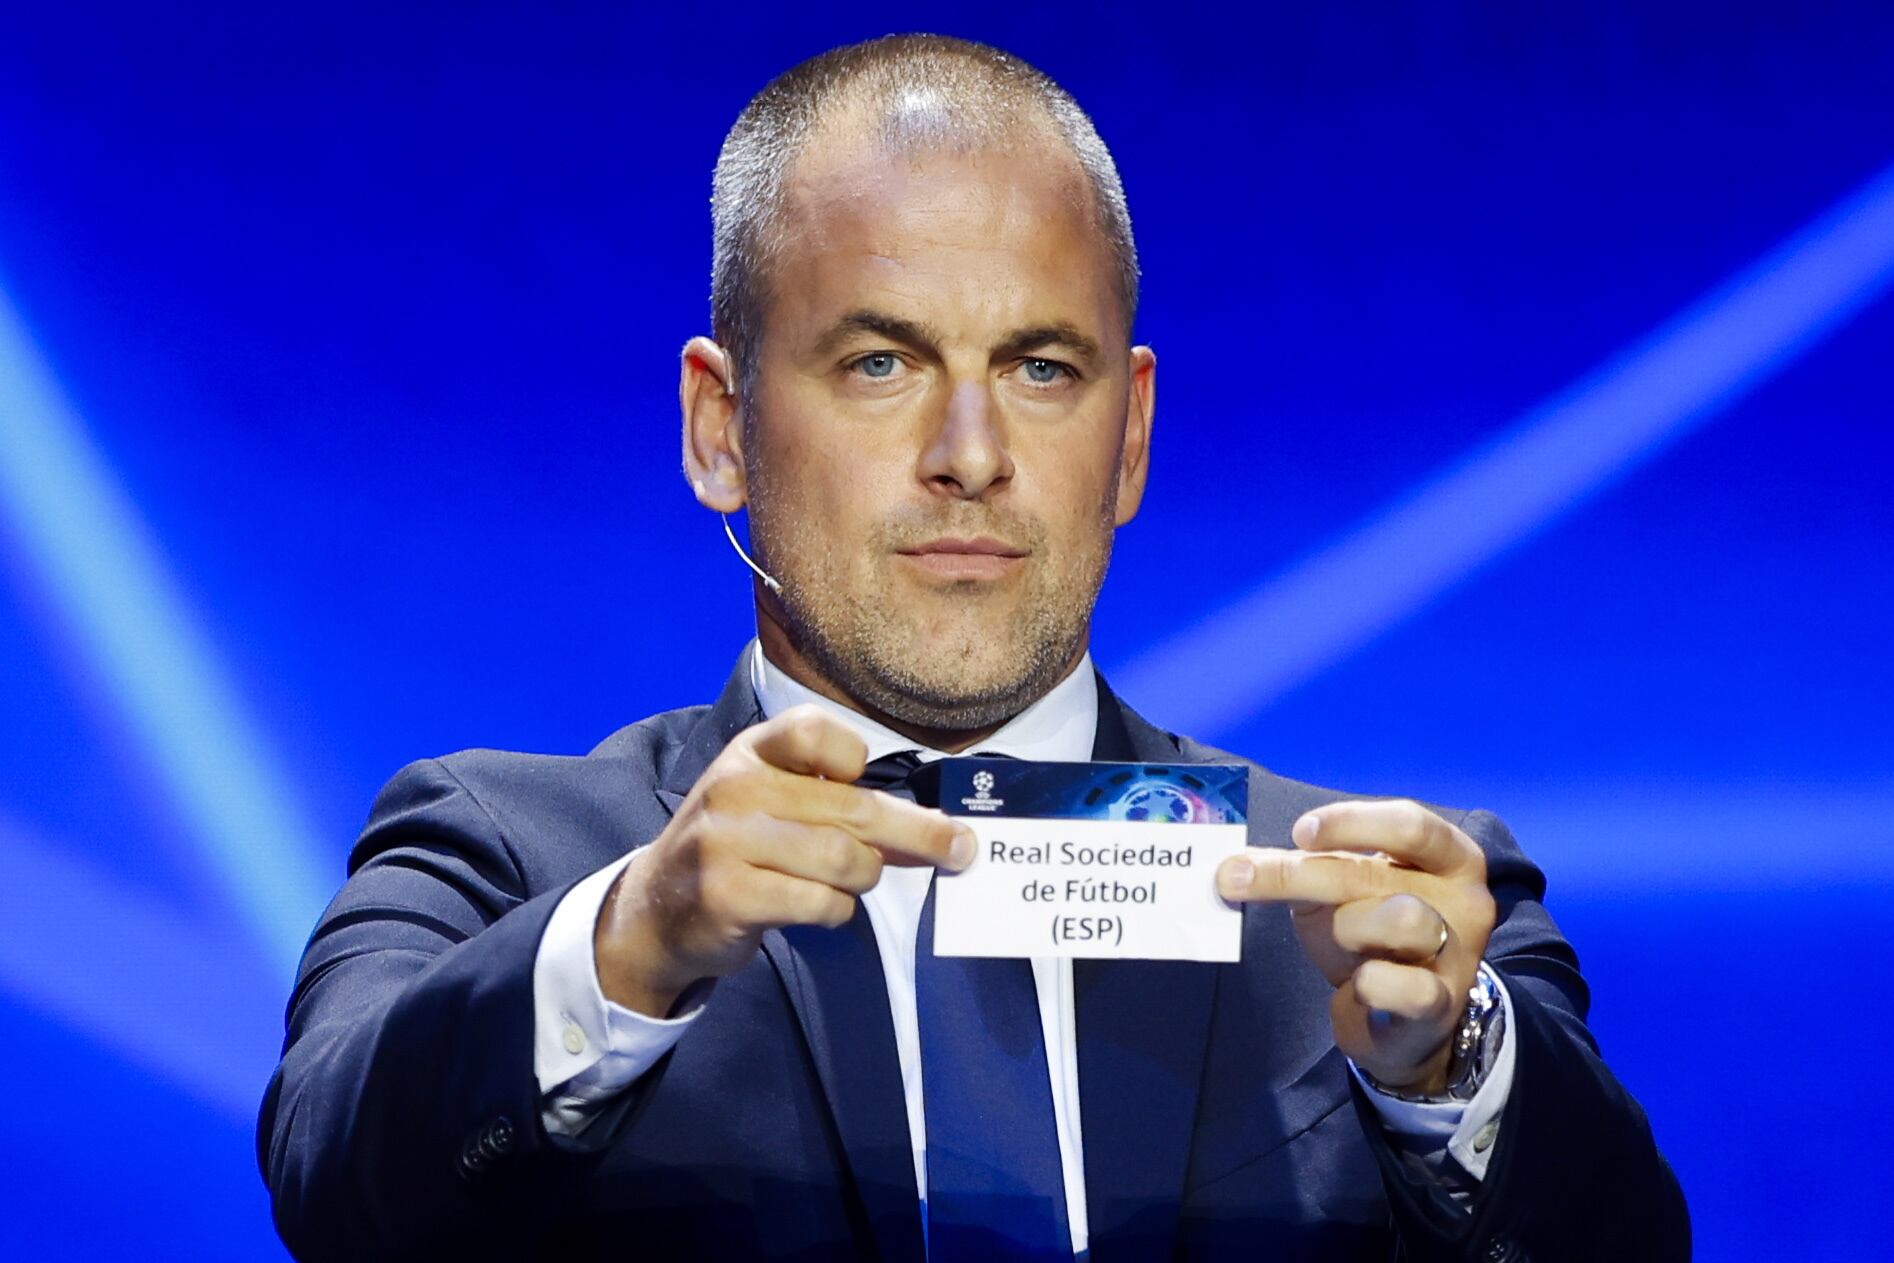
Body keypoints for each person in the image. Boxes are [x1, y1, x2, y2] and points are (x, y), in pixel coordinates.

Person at [259, 34, 1688, 1262]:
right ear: (720, 427)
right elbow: (336, 1182)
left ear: (1126, 436)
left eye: (1039, 369)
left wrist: (1446, 1073)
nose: (969, 455)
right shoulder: (507, 854)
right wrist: (635, 946)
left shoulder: (1381, 905)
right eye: (878, 364)